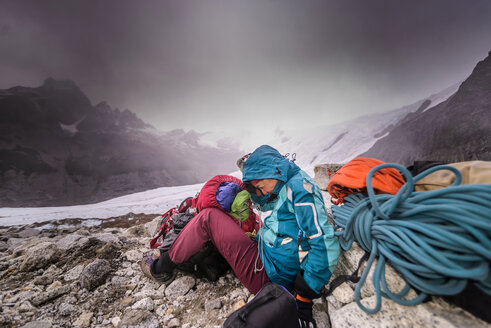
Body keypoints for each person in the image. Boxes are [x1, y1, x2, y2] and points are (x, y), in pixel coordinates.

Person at [141, 145, 340, 327]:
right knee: (231, 221)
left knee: (208, 218)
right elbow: (267, 204)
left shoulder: (300, 191)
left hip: (266, 274)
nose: (260, 192)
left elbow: (324, 241)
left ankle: (161, 267)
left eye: (260, 186)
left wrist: (304, 297)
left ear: (273, 171)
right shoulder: (289, 180)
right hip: (269, 257)